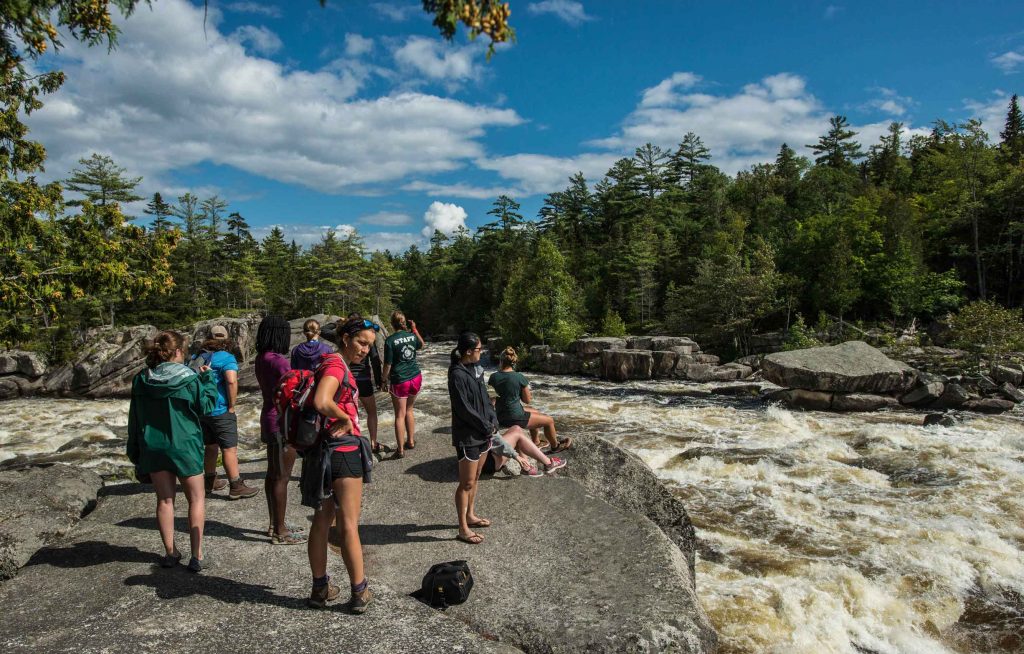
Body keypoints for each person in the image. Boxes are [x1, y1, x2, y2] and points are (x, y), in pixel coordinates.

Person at [449, 332, 559, 545]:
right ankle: (462, 528)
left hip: (482, 433)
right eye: (479, 349)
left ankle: (471, 515)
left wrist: (492, 421)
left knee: (477, 476)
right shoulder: (457, 374)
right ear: (469, 351)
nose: (481, 353)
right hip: (468, 437)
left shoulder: (474, 370)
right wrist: (486, 427)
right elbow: (464, 409)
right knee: (466, 482)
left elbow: (486, 399)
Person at [303, 317, 377, 613]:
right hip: (343, 452)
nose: (365, 350)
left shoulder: (328, 362)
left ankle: (320, 588)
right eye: (361, 343)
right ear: (345, 338)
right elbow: (322, 400)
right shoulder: (335, 365)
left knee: (322, 522)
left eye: (370, 346)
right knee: (348, 523)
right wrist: (345, 418)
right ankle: (359, 591)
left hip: (321, 453)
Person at [127, 331, 217, 572]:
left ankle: (170, 552)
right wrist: (208, 380)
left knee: (165, 500)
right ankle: (196, 556)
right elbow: (206, 406)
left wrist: (134, 450)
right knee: (196, 499)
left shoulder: (142, 379)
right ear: (178, 352)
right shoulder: (189, 379)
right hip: (185, 444)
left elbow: (134, 419)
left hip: (154, 446)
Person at [254, 316, 305, 545]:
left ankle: (275, 523)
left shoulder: (261, 358)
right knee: (282, 477)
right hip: (281, 423)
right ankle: (281, 532)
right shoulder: (279, 362)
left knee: (272, 474)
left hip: (267, 418)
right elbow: (297, 392)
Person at [193, 325, 259, 499]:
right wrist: (231, 405)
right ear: (226, 340)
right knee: (229, 449)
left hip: (201, 410)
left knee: (210, 446)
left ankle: (209, 481)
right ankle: (236, 485)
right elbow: (231, 381)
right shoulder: (227, 357)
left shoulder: (196, 357)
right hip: (220, 410)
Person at [488, 346, 572, 453]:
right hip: (514, 416)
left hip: (501, 414)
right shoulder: (519, 377)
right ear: (514, 362)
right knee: (549, 420)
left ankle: (536, 442)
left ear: (501, 361)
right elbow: (527, 400)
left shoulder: (493, 377)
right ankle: (555, 446)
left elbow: (502, 391)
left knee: (534, 411)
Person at [382, 310, 424, 458]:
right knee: (410, 410)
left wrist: (383, 380)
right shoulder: (411, 336)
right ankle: (411, 441)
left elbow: (387, 364)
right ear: (404, 322)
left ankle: (400, 450)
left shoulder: (390, 340)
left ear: (392, 324)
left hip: (400, 380)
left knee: (399, 415)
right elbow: (421, 344)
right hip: (416, 377)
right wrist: (414, 328)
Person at [346, 312, 384, 455]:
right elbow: (374, 359)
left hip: (348, 380)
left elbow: (325, 330)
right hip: (363, 380)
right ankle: (373, 442)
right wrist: (380, 381)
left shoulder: (348, 337)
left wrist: (344, 322)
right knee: (371, 412)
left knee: (351, 413)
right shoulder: (367, 337)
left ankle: (353, 442)